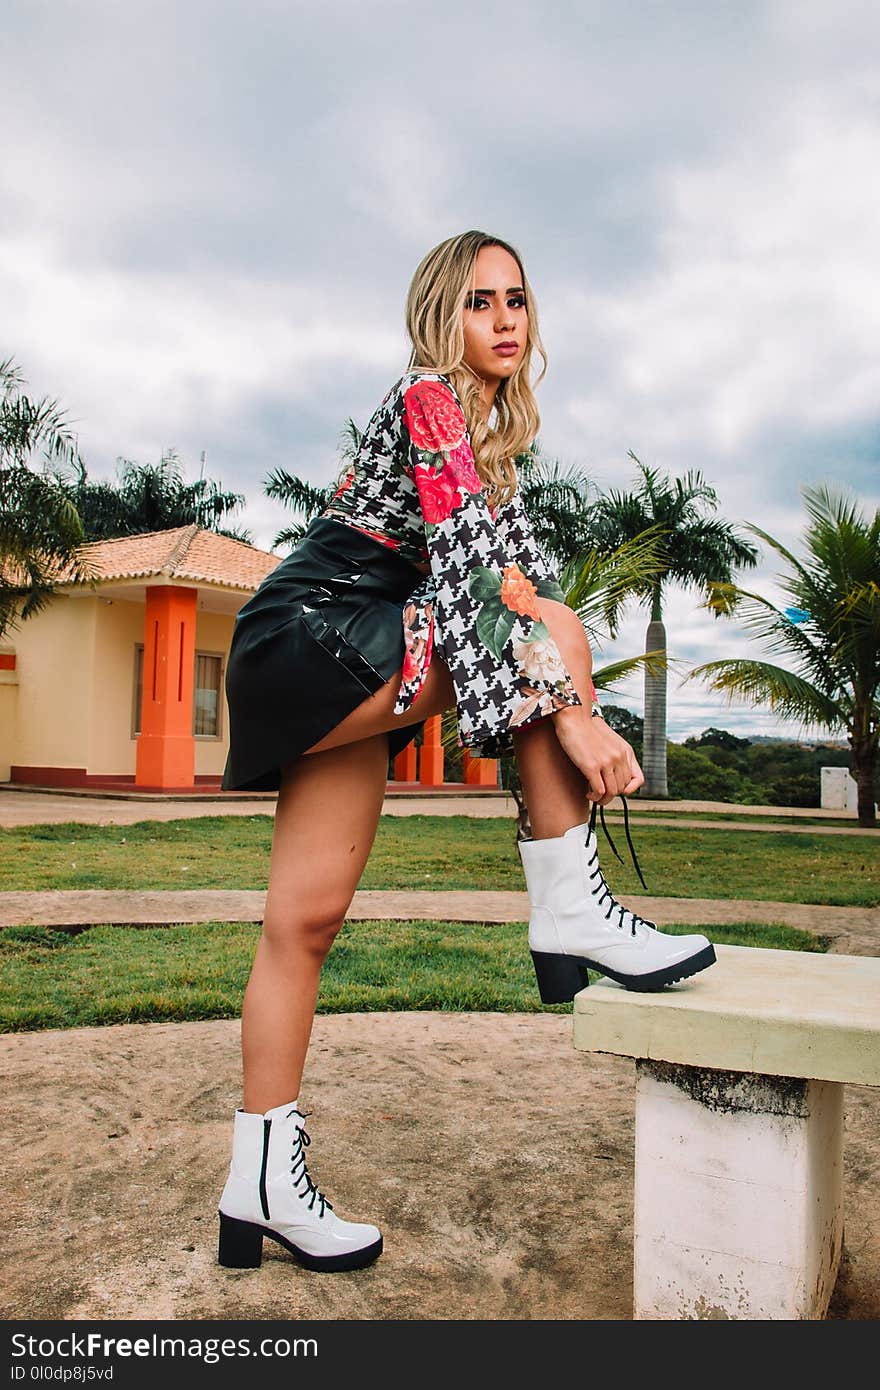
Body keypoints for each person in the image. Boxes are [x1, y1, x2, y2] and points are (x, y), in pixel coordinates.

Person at [215, 230, 716, 1276]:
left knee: (299, 925)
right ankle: (569, 901)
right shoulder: (427, 398)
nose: (503, 317)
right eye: (479, 299)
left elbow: (503, 576)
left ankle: (258, 1176)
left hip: (355, 656)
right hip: (312, 632)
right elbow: (489, 587)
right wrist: (571, 714)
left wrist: (557, 696)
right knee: (556, 630)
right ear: (441, 315)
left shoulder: (492, 447)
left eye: (518, 300)